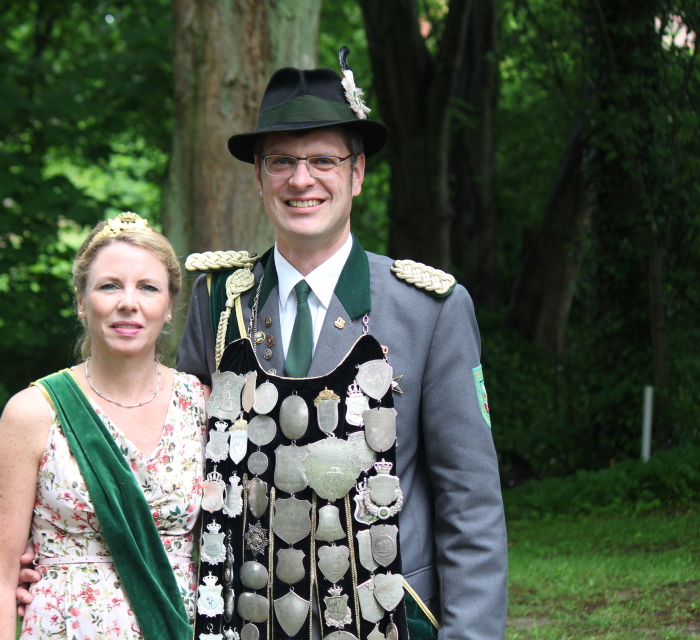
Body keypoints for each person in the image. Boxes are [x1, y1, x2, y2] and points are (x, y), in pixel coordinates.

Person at [175, 60, 508, 639]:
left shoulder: (429, 310)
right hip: (244, 617)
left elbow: (470, 502)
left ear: (356, 174)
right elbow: (179, 474)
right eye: (281, 161)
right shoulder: (216, 304)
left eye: (323, 160)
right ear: (258, 176)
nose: (301, 180)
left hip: (389, 619)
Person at [0, 212, 205, 640]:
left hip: (178, 625)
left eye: (148, 288)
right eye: (109, 286)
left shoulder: (205, 406)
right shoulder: (33, 412)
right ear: (82, 302)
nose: (128, 303)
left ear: (169, 307)